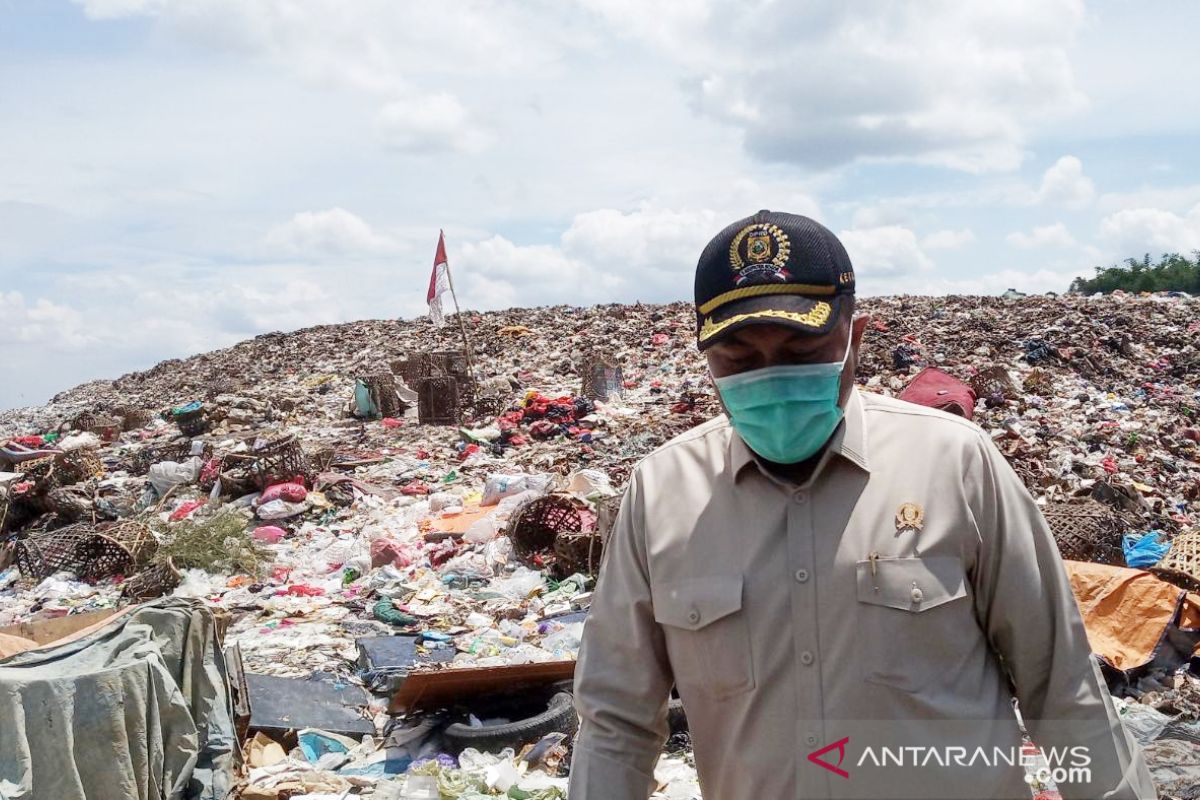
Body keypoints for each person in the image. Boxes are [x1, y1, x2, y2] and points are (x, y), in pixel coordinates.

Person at [568, 211, 1155, 799]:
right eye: (739, 359)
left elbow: (1061, 683)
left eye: (802, 349)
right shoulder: (664, 493)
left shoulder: (956, 465)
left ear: (857, 334)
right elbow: (616, 719)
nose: (771, 377)